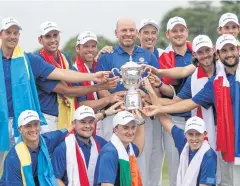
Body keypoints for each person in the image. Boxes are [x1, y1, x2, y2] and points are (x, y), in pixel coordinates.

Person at [0, 16, 110, 172]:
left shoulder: (28, 59)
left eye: (15, 33)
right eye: (8, 32)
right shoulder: (35, 57)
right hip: (4, 121)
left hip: (22, 123)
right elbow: (66, 89)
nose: (12, 36)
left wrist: (93, 76)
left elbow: (62, 73)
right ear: (1, 34)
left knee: (23, 167)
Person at [143, 34, 240, 186]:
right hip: (219, 135)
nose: (205, 55)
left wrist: (159, 74)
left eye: (207, 50)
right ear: (195, 55)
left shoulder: (222, 74)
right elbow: (184, 103)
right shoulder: (209, 82)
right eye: (200, 52)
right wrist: (152, 99)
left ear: (214, 52)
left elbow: (182, 73)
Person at [96, 17, 160, 186]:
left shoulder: (149, 56)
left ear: (136, 33)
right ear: (116, 33)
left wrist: (144, 96)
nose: (128, 34)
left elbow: (156, 88)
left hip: (141, 115)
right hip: (115, 114)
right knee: (114, 157)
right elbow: (101, 86)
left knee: (142, 161)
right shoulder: (106, 57)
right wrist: (113, 99)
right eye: (124, 30)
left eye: (132, 30)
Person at [36, 22, 119, 131]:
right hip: (48, 118)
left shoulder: (64, 57)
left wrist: (97, 60)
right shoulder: (38, 61)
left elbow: (75, 77)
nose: (52, 40)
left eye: (55, 35)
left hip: (66, 115)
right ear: (40, 40)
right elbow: (67, 90)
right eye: (48, 36)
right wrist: (101, 86)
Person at [51, 102, 123, 186]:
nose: (87, 126)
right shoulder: (63, 148)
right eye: (83, 122)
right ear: (73, 124)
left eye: (91, 122)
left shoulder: (101, 143)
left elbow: (127, 151)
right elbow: (55, 178)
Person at [73, 31, 124, 136]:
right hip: (86, 122)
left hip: (105, 118)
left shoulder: (100, 65)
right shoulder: (74, 71)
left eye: (93, 46)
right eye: (86, 46)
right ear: (77, 48)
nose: (90, 49)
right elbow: (82, 105)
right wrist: (109, 99)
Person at [0, 110, 70, 185]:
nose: (33, 129)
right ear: (20, 129)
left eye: (36, 124)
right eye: (28, 126)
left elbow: (67, 130)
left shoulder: (46, 141)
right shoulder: (14, 158)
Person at [94, 110, 145, 186]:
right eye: (125, 128)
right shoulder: (109, 153)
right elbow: (106, 184)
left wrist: (141, 124)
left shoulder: (128, 148)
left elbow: (138, 148)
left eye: (133, 127)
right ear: (115, 130)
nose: (130, 132)